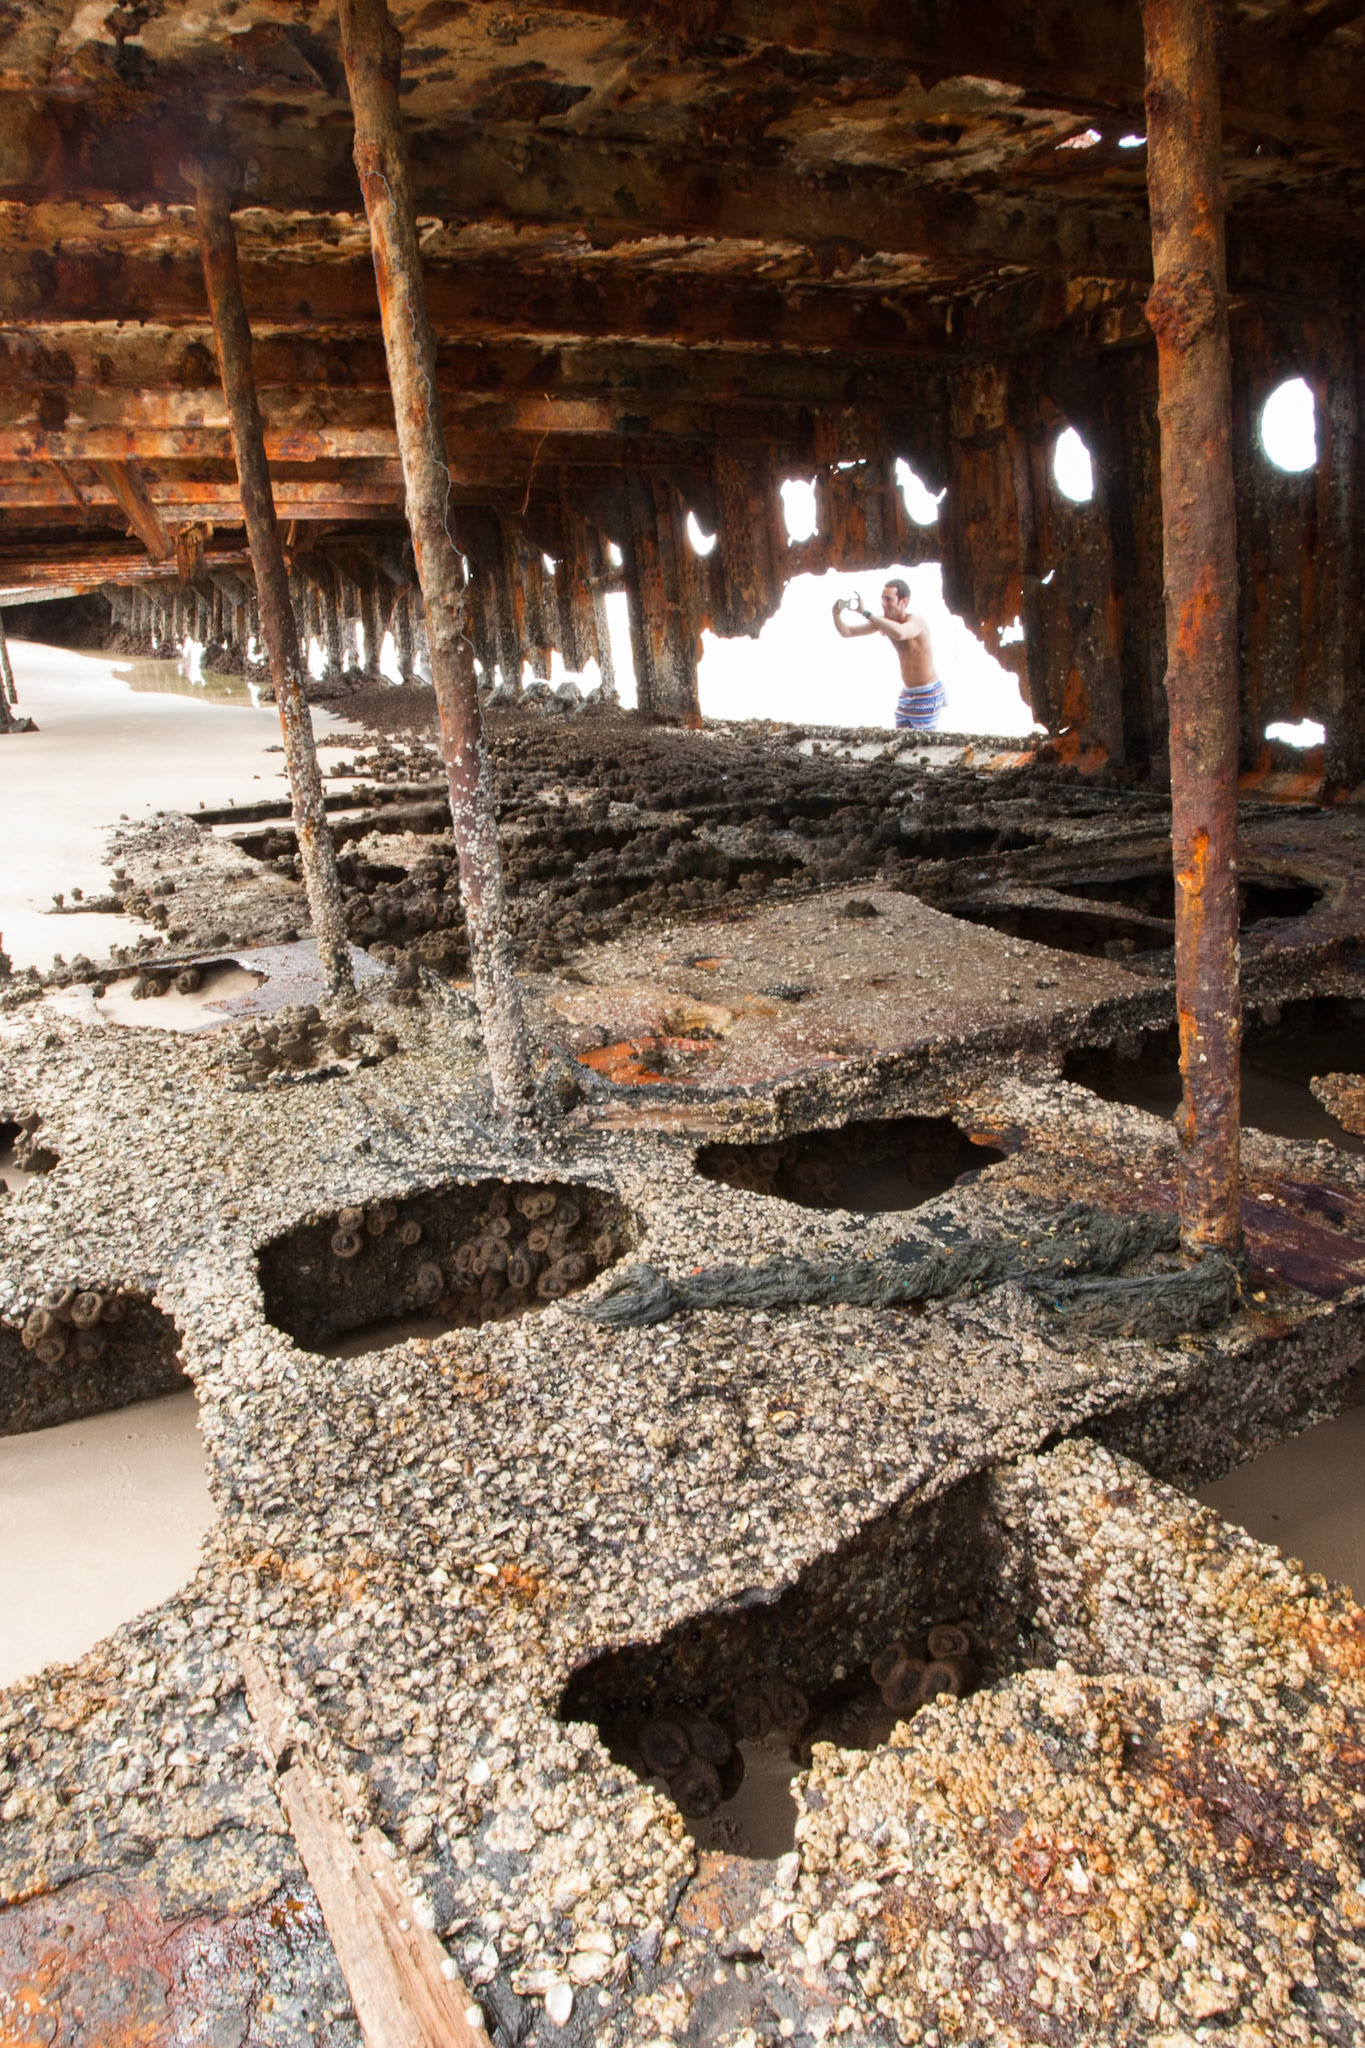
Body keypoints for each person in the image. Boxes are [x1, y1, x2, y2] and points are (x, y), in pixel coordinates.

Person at [831, 578, 947, 730]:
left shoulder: (916, 621)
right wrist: (836, 615)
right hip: (907, 693)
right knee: (902, 738)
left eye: (888, 599)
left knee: (920, 742)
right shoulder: (882, 621)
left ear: (903, 601)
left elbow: (900, 633)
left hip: (927, 692)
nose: (883, 604)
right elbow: (847, 632)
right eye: (882, 599)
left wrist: (865, 612)